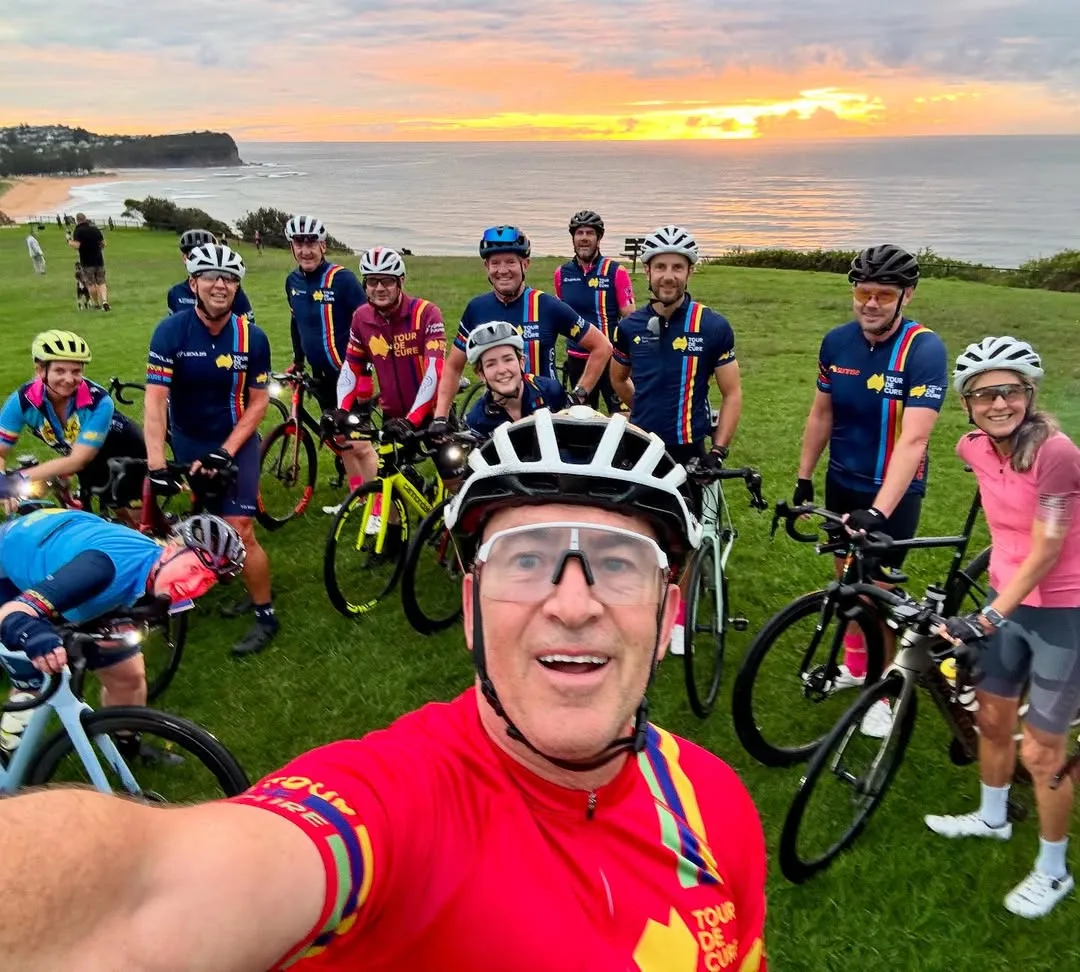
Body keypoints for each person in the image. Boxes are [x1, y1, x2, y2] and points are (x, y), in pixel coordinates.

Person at [0, 407, 768, 971]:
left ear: (667, 614)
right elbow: (141, 901)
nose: (573, 604)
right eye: (527, 561)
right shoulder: (393, 804)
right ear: (472, 608)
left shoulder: (718, 805)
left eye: (620, 562)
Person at [925, 336, 1080, 919]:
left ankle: (1054, 869)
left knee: (1042, 751)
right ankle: (992, 818)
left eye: (1010, 391)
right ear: (967, 405)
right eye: (983, 394)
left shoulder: (1056, 453)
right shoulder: (971, 447)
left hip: (1062, 612)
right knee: (991, 718)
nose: (998, 404)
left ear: (1029, 394)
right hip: (1005, 599)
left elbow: (1048, 548)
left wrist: (989, 616)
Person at [793, 244, 948, 736]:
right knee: (846, 584)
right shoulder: (837, 343)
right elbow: (821, 414)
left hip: (893, 495)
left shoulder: (923, 349)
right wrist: (804, 477)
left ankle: (883, 691)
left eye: (883, 294)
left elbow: (915, 439)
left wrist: (879, 511)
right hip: (842, 482)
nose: (872, 303)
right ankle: (857, 667)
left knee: (878, 597)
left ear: (907, 295)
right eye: (863, 293)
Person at [0, 509, 245, 753]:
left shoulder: (156, 570)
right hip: (12, 562)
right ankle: (7, 753)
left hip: (63, 546)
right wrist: (34, 635)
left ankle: (128, 748)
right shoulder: (101, 568)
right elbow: (12, 612)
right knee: (31, 682)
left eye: (207, 580)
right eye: (193, 569)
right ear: (170, 550)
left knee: (128, 678)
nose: (193, 585)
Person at [609, 224, 742, 656]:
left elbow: (732, 393)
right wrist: (643, 407)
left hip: (689, 451)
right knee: (638, 532)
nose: (669, 275)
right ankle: (638, 606)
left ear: (690, 272)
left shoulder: (713, 326)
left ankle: (678, 619)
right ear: (647, 271)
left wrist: (718, 451)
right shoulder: (630, 326)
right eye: (661, 266)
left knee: (685, 537)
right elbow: (619, 379)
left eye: (677, 267)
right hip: (641, 449)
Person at [145, 244, 276, 657]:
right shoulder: (171, 332)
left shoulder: (252, 337)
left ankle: (266, 614)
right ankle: (215, 577)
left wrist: (227, 450)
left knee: (240, 526)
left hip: (237, 441)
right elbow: (155, 401)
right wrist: (156, 464)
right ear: (193, 283)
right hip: (189, 441)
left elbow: (259, 403)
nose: (221, 285)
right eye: (211, 277)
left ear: (237, 287)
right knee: (205, 522)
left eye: (230, 279)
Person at [430, 225, 611, 434]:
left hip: (548, 413)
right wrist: (441, 418)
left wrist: (579, 394)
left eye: (510, 262)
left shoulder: (546, 305)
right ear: (486, 267)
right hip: (499, 417)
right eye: (495, 263)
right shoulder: (476, 309)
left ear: (525, 264)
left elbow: (602, 346)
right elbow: (453, 367)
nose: (503, 270)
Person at [328, 246, 446, 519]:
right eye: (372, 281)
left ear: (400, 281)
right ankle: (393, 535)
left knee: (452, 478)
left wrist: (413, 419)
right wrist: (341, 410)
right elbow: (351, 365)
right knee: (389, 482)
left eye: (387, 281)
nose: (379, 288)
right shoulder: (361, 318)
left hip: (431, 411)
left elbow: (434, 369)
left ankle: (456, 530)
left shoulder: (425, 313)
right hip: (393, 415)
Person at [0, 331, 146, 511]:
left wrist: (18, 479)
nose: (69, 379)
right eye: (59, 371)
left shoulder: (99, 401)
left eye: (76, 371)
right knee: (104, 508)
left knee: (133, 515)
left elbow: (78, 460)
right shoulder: (22, 402)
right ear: (40, 370)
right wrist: (2, 482)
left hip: (124, 450)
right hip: (82, 454)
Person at [284, 215, 366, 424]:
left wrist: (366, 371)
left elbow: (369, 325)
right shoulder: (292, 282)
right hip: (319, 374)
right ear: (292, 247)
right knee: (332, 432)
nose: (305, 251)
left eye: (311, 244)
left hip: (348, 373)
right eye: (299, 244)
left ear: (323, 246)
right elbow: (296, 323)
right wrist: (298, 361)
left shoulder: (343, 279)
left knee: (354, 437)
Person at [553, 210, 636, 412]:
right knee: (583, 419)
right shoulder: (562, 274)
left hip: (611, 360)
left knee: (623, 415)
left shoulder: (615, 272)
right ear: (573, 238)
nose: (584, 238)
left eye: (589, 233)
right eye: (579, 233)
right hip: (577, 360)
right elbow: (559, 318)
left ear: (598, 238)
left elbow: (630, 318)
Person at [463, 320, 569, 437]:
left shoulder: (550, 392)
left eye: (508, 359)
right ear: (481, 375)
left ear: (521, 363)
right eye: (491, 364)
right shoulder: (477, 420)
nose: (502, 370)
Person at [168, 229, 255, 320]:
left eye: (205, 253)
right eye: (194, 254)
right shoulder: (176, 292)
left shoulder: (232, 291)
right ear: (184, 258)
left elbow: (247, 323)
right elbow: (173, 324)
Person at [67, 213, 108, 310]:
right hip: (99, 260)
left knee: (91, 284)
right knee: (101, 282)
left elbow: (76, 246)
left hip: (86, 262)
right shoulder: (95, 229)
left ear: (77, 220)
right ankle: (105, 301)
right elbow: (103, 244)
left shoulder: (78, 231)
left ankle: (97, 304)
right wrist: (97, 249)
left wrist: (69, 241)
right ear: (85, 219)